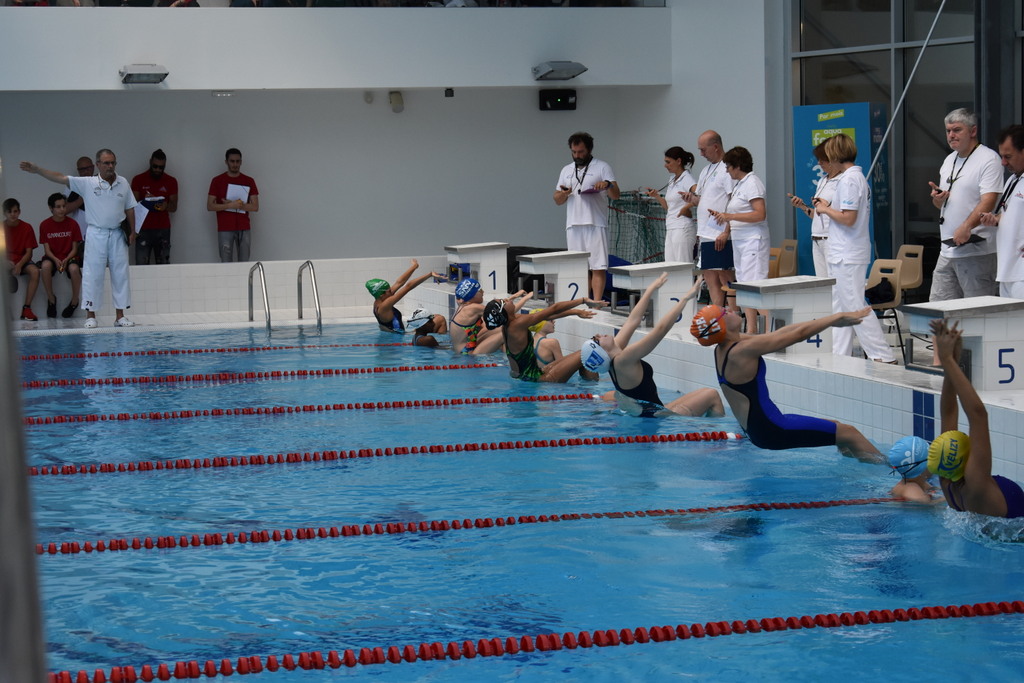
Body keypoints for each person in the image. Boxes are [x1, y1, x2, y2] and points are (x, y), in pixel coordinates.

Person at [691, 302, 883, 463]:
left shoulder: (725, 348)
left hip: (760, 431)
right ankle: (889, 475)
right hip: (773, 428)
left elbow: (782, 332)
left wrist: (832, 319)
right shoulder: (742, 351)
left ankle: (856, 470)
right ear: (720, 326)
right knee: (850, 433)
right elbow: (797, 335)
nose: (729, 309)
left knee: (839, 432)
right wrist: (836, 318)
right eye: (725, 312)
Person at [20, 149, 138, 328]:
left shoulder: (123, 182)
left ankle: (120, 316)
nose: (110, 166)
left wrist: (133, 231)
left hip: (117, 233)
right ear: (98, 164)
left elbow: (129, 207)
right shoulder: (87, 183)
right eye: (106, 163)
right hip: (96, 233)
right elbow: (60, 177)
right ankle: (90, 315)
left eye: (113, 162)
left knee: (120, 274)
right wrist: (38, 170)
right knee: (93, 274)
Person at [584, 273, 724, 418]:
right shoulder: (624, 360)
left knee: (706, 393)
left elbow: (633, 320)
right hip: (658, 418)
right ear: (602, 353)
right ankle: (716, 429)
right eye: (596, 340)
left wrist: (651, 289)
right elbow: (661, 330)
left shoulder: (615, 358)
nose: (599, 335)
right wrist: (685, 298)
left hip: (656, 411)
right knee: (712, 395)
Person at [812, 134, 897, 363]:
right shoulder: (852, 179)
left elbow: (848, 219)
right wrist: (829, 206)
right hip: (843, 251)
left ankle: (882, 354)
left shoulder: (850, 180)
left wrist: (825, 210)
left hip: (847, 253)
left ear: (835, 155)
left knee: (854, 306)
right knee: (841, 306)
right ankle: (840, 354)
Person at [928, 319, 1024, 518]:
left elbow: (948, 412)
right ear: (967, 458)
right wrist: (946, 359)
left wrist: (952, 361)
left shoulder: (946, 481)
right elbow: (978, 416)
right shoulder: (977, 484)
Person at [926, 109, 1002, 305]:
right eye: (948, 131)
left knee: (977, 311)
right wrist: (938, 199)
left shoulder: (988, 159)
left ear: (973, 131)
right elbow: (940, 205)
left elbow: (989, 200)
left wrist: (967, 226)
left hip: (976, 252)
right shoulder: (949, 160)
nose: (951, 135)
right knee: (938, 309)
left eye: (957, 130)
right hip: (947, 250)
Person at [708, 146, 770, 333]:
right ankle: (751, 330)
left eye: (728, 167)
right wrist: (723, 217)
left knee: (755, 286)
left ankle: (771, 332)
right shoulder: (739, 185)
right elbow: (737, 213)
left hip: (753, 241)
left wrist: (730, 216)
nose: (727, 171)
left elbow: (760, 214)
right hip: (740, 240)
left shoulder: (753, 183)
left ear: (737, 166)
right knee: (743, 287)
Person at [553, 131, 620, 301]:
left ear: (589, 150)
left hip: (595, 223)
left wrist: (607, 184)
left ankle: (596, 302)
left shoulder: (602, 166)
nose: (577, 156)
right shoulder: (566, 170)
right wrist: (564, 194)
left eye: (581, 152)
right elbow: (557, 200)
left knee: (597, 266)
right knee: (578, 267)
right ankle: (582, 301)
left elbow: (616, 195)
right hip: (573, 224)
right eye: (574, 152)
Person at [483, 292, 606, 383]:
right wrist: (583, 300)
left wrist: (575, 312)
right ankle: (592, 390)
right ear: (503, 312)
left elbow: (546, 316)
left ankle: (589, 386)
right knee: (587, 353)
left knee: (582, 354)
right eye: (504, 302)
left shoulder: (511, 323)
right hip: (537, 379)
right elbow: (553, 309)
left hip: (530, 375)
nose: (507, 299)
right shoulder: (517, 324)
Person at [680, 130, 734, 308]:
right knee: (709, 274)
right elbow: (702, 200)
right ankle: (717, 312)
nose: (701, 154)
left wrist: (727, 231)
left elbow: (733, 201)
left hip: (719, 232)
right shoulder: (706, 170)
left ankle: (735, 313)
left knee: (724, 274)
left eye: (703, 150)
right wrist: (691, 199)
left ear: (716, 147)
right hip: (705, 232)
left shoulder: (728, 169)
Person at [979, 124, 1024, 299]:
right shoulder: (1013, 180)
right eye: (1002, 156)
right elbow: (1013, 216)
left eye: (1008, 156)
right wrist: (996, 219)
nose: (1003, 162)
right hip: (1007, 270)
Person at [366, 259, 447, 347]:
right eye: (389, 290)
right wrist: (429, 274)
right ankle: (441, 344)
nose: (391, 291)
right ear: (382, 294)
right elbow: (408, 287)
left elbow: (400, 282)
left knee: (436, 317)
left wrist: (414, 266)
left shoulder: (378, 301)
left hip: (394, 336)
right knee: (440, 319)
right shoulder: (385, 306)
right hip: (398, 340)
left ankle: (438, 343)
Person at [788, 140, 837, 277]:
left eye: (822, 160)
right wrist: (803, 206)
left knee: (835, 281)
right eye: (818, 159)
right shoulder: (822, 181)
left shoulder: (842, 181)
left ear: (832, 159)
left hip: (831, 239)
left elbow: (840, 212)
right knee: (822, 281)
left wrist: (826, 206)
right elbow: (818, 214)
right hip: (816, 239)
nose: (819, 163)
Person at [646, 146, 697, 263]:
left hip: (682, 227)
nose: (665, 165)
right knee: (670, 266)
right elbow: (669, 207)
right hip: (671, 227)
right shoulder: (672, 179)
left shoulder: (687, 178)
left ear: (678, 161)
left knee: (682, 266)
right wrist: (657, 196)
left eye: (668, 162)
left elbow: (700, 194)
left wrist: (686, 207)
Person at [207, 148, 259, 262]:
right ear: (226, 162)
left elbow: (255, 207)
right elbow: (210, 206)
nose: (235, 164)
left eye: (237, 161)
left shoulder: (249, 180)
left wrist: (237, 204)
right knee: (226, 263)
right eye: (232, 161)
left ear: (241, 162)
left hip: (244, 227)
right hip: (225, 227)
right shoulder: (217, 180)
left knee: (244, 262)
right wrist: (230, 205)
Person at [38, 193, 83, 319]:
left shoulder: (73, 224)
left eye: (64, 206)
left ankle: (74, 301)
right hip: (53, 256)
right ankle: (51, 299)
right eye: (58, 207)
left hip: (70, 256)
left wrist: (66, 259)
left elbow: (75, 249)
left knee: (74, 269)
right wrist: (55, 259)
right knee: (45, 266)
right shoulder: (44, 225)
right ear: (51, 208)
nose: (62, 209)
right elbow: (47, 250)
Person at [131, 149, 179, 265]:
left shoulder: (171, 181)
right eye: (155, 166)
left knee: (164, 266)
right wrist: (146, 201)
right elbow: (132, 206)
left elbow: (174, 207)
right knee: (141, 265)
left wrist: (165, 205)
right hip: (143, 228)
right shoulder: (138, 179)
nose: (158, 169)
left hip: (163, 229)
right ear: (150, 162)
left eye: (161, 167)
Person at [3, 198, 41, 321]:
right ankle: (4, 309)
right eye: (9, 212)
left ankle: (27, 309)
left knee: (35, 272)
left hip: (22, 260)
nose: (12, 214)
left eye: (15, 211)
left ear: (19, 212)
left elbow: (29, 253)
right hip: (5, 262)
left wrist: (19, 264)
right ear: (4, 213)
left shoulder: (26, 227)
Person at [449, 277, 506, 355]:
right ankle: (509, 360)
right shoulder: (474, 308)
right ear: (472, 295)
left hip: (461, 351)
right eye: (480, 290)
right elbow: (505, 313)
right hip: (467, 353)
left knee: (502, 328)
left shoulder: (462, 307)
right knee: (506, 333)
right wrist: (523, 298)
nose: (483, 292)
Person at [887, 436, 941, 504]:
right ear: (921, 468)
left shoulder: (921, 483)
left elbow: (937, 491)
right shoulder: (910, 488)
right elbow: (927, 503)